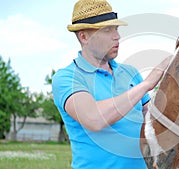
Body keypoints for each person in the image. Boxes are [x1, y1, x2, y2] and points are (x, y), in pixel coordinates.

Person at [52, 0, 170, 168]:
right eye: (107, 30)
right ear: (83, 36)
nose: (117, 36)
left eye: (116, 29)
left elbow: (153, 119)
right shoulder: (67, 78)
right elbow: (93, 119)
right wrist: (147, 84)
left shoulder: (130, 72)